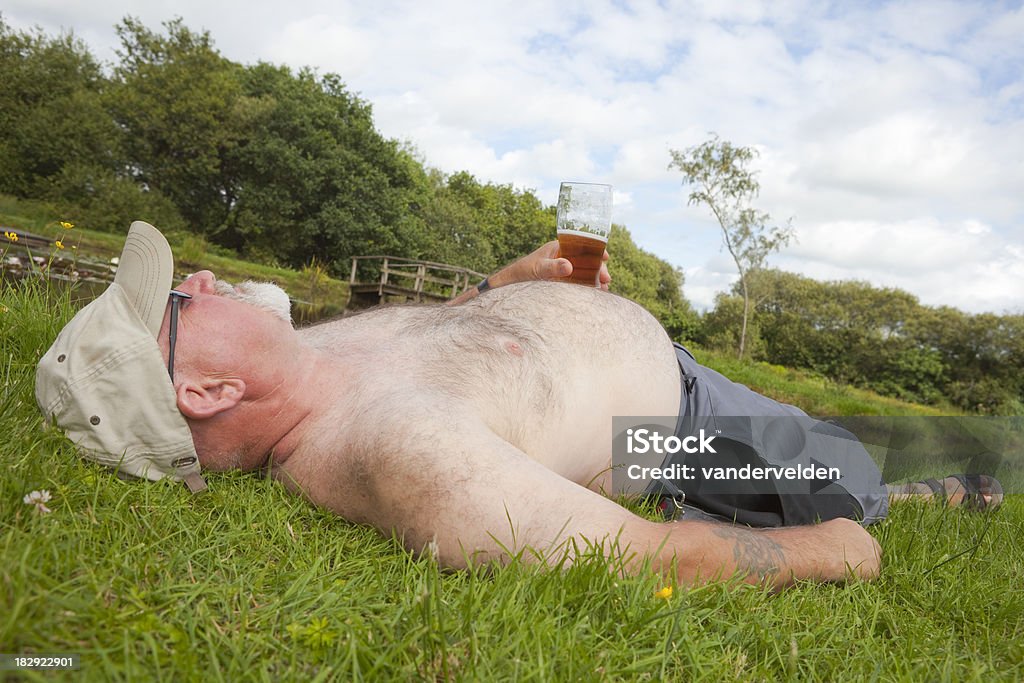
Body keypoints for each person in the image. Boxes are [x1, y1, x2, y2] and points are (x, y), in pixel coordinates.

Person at [35, 222, 1001, 590]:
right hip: (676, 419)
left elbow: (425, 342)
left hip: (666, 377)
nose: (199, 276)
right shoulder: (408, 454)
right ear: (205, 390)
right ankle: (921, 500)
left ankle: (893, 487)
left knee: (824, 448)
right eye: (178, 301)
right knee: (851, 476)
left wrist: (512, 282)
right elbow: (637, 562)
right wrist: (836, 552)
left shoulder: (304, 358)